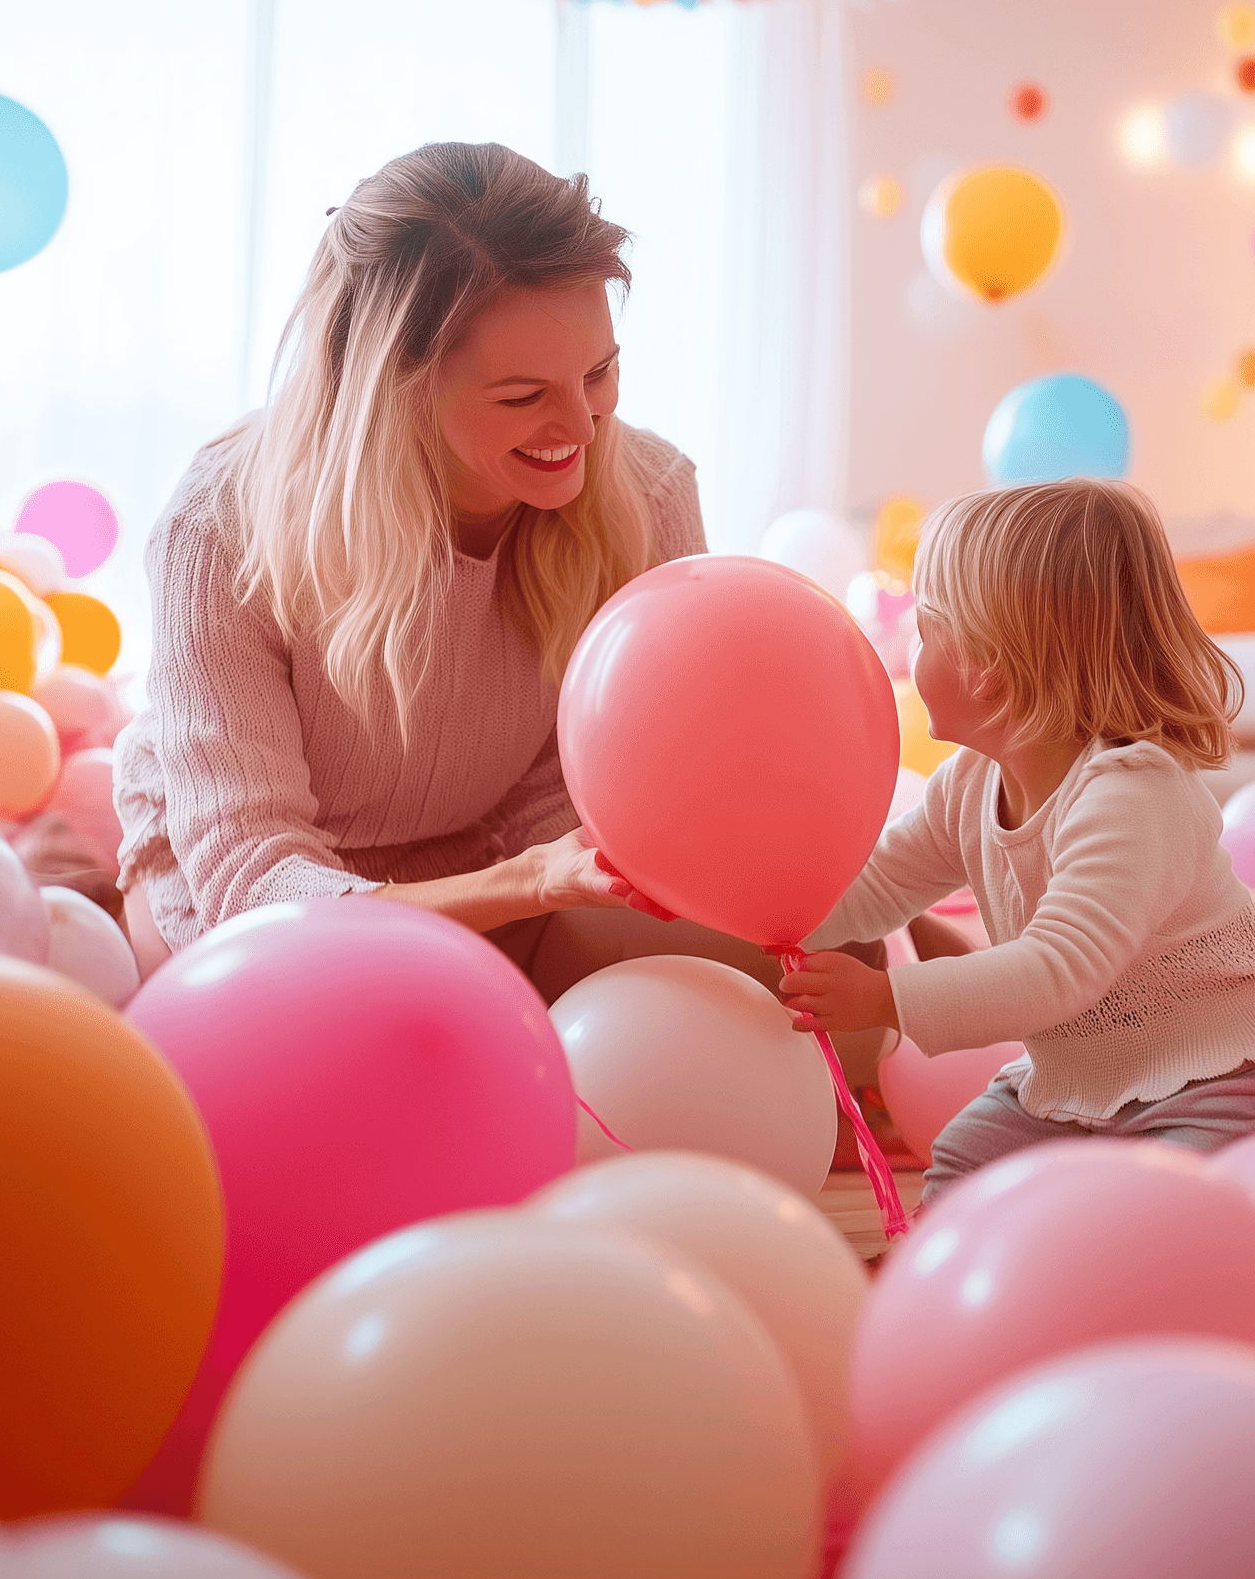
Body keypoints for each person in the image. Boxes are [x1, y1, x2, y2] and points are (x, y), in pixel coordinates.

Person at [114, 141, 879, 1015]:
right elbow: (247, 888)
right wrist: (526, 884)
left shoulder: (650, 493)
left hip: (511, 878)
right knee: (355, 1066)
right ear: (394, 387)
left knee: (818, 973)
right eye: (522, 397)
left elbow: (614, 800)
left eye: (599, 372)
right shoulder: (222, 527)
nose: (580, 428)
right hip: (267, 912)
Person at [778, 477, 1255, 1202]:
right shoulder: (969, 782)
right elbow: (881, 884)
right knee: (961, 1166)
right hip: (1074, 1083)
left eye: (925, 632)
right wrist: (770, 915)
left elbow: (1058, 968)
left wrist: (886, 999)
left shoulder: (1132, 794)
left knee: (1173, 1208)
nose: (908, 656)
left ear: (986, 668)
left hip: (1204, 1083)